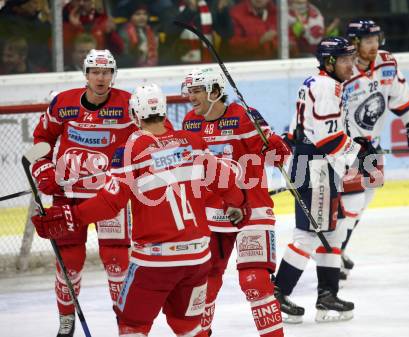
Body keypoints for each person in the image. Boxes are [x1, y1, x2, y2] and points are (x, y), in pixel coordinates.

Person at [32, 83, 250, 337]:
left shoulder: (131, 150)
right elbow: (225, 180)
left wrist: (72, 217)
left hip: (154, 261)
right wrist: (239, 203)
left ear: (135, 114)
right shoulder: (193, 142)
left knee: (132, 325)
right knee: (188, 326)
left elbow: (110, 202)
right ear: (165, 111)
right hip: (197, 258)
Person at [31, 49, 138, 337]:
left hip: (110, 196)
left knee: (117, 260)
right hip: (68, 195)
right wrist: (42, 169)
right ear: (86, 74)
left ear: (113, 75)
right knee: (69, 262)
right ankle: (66, 320)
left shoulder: (129, 104)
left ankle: (125, 323)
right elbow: (41, 138)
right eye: (95, 72)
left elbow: (151, 136)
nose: (101, 78)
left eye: (106, 72)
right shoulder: (63, 103)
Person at [273, 37, 378, 323]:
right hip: (316, 165)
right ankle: (279, 293)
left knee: (334, 230)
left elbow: (307, 130)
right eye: (344, 60)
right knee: (308, 234)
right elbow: (325, 136)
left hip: (315, 163)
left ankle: (327, 294)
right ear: (329, 62)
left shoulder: (317, 82)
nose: (350, 64)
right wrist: (358, 152)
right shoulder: (326, 86)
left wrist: (354, 146)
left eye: (350, 58)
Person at [181, 66, 291, 336]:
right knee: (204, 282)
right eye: (190, 91)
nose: (192, 97)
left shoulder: (243, 117)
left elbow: (279, 155)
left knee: (255, 281)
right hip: (211, 212)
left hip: (252, 209)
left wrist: (274, 145)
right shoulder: (189, 123)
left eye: (198, 91)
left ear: (216, 92)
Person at [338, 19, 409, 279]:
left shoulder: (386, 63)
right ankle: (331, 255)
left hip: (372, 146)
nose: (374, 45)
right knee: (353, 202)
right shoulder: (342, 70)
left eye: (376, 39)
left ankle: (338, 247)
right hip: (345, 150)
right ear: (355, 43)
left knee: (364, 199)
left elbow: (403, 101)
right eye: (368, 41)